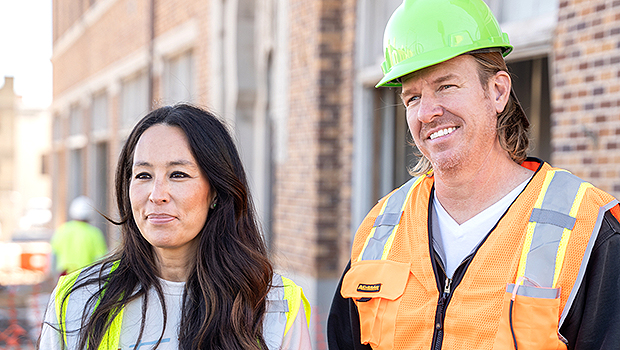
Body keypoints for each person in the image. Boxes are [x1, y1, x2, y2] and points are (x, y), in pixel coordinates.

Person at [327, 0, 620, 349]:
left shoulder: (590, 228)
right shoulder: (381, 229)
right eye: (412, 98)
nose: (428, 112)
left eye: (446, 86)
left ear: (497, 91)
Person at [39, 104, 311, 350]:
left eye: (178, 175)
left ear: (216, 190)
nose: (157, 194)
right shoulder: (76, 301)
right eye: (143, 175)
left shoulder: (274, 305)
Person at [50, 196, 108, 275]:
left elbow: (53, 255)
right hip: (86, 276)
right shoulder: (94, 233)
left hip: (65, 275)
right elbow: (101, 259)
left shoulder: (62, 230)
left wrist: (52, 273)